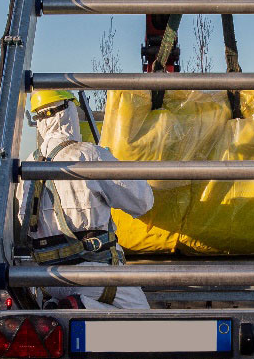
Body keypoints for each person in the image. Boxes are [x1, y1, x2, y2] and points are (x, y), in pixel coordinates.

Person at [19, 90, 154, 310]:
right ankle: (81, 307)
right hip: (92, 272)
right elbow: (142, 201)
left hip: (47, 278)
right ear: (68, 112)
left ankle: (70, 309)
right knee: (142, 321)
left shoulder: (30, 163)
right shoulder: (87, 155)